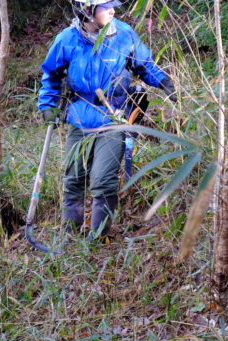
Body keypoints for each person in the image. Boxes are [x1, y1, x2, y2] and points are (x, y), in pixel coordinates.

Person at [38, 0, 176, 239]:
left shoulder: (123, 34)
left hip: (113, 117)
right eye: (105, 6)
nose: (113, 10)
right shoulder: (67, 39)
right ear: (87, 11)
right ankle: (69, 237)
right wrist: (48, 106)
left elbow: (144, 65)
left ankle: (98, 238)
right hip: (79, 118)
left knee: (102, 180)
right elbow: (51, 75)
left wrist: (165, 83)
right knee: (73, 180)